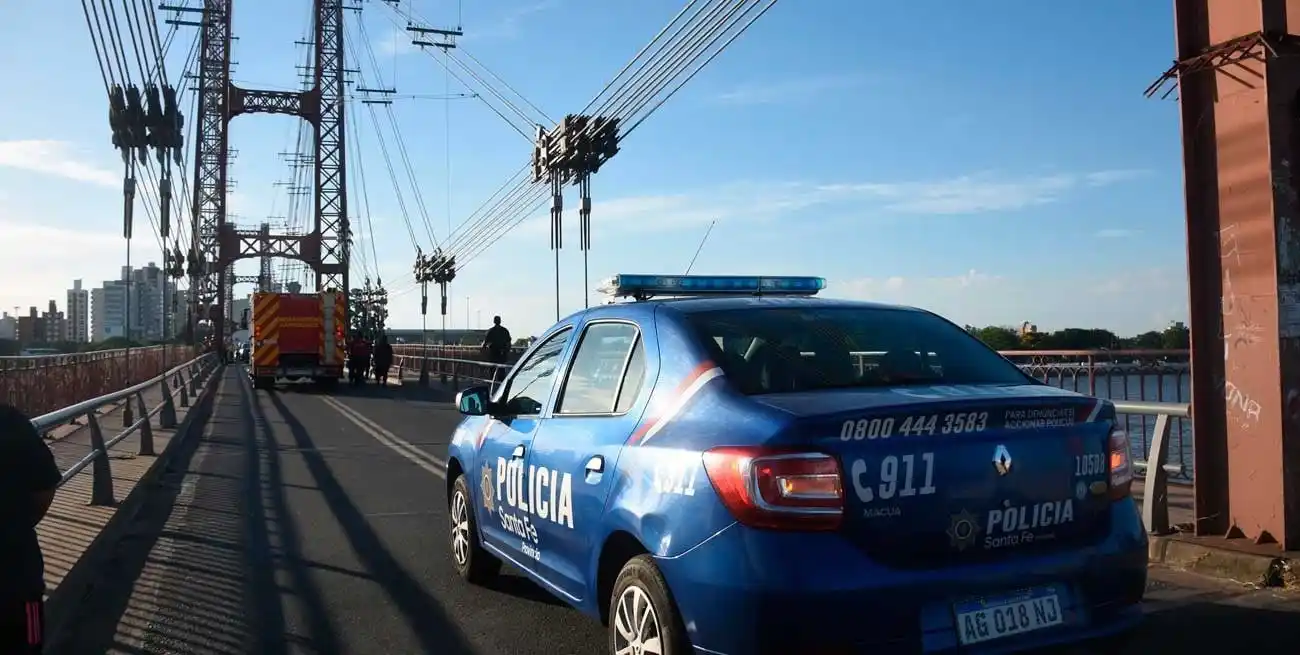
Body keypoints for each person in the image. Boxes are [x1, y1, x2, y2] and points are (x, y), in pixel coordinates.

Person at [1, 403, 62, 654]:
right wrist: (19, 525)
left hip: (17, 573)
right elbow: (44, 489)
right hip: (17, 571)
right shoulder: (11, 423)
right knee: (27, 643)